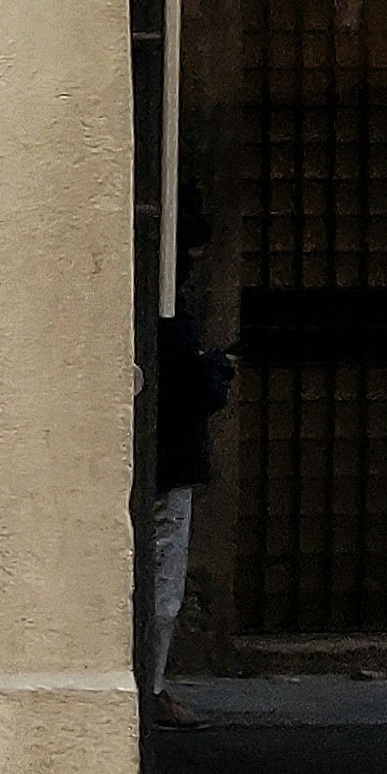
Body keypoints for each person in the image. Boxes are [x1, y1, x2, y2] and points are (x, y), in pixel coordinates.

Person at [150, 298, 237, 706]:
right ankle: (153, 687)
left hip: (155, 463)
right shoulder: (173, 319)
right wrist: (217, 367)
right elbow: (196, 387)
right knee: (164, 588)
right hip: (173, 465)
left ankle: (150, 686)